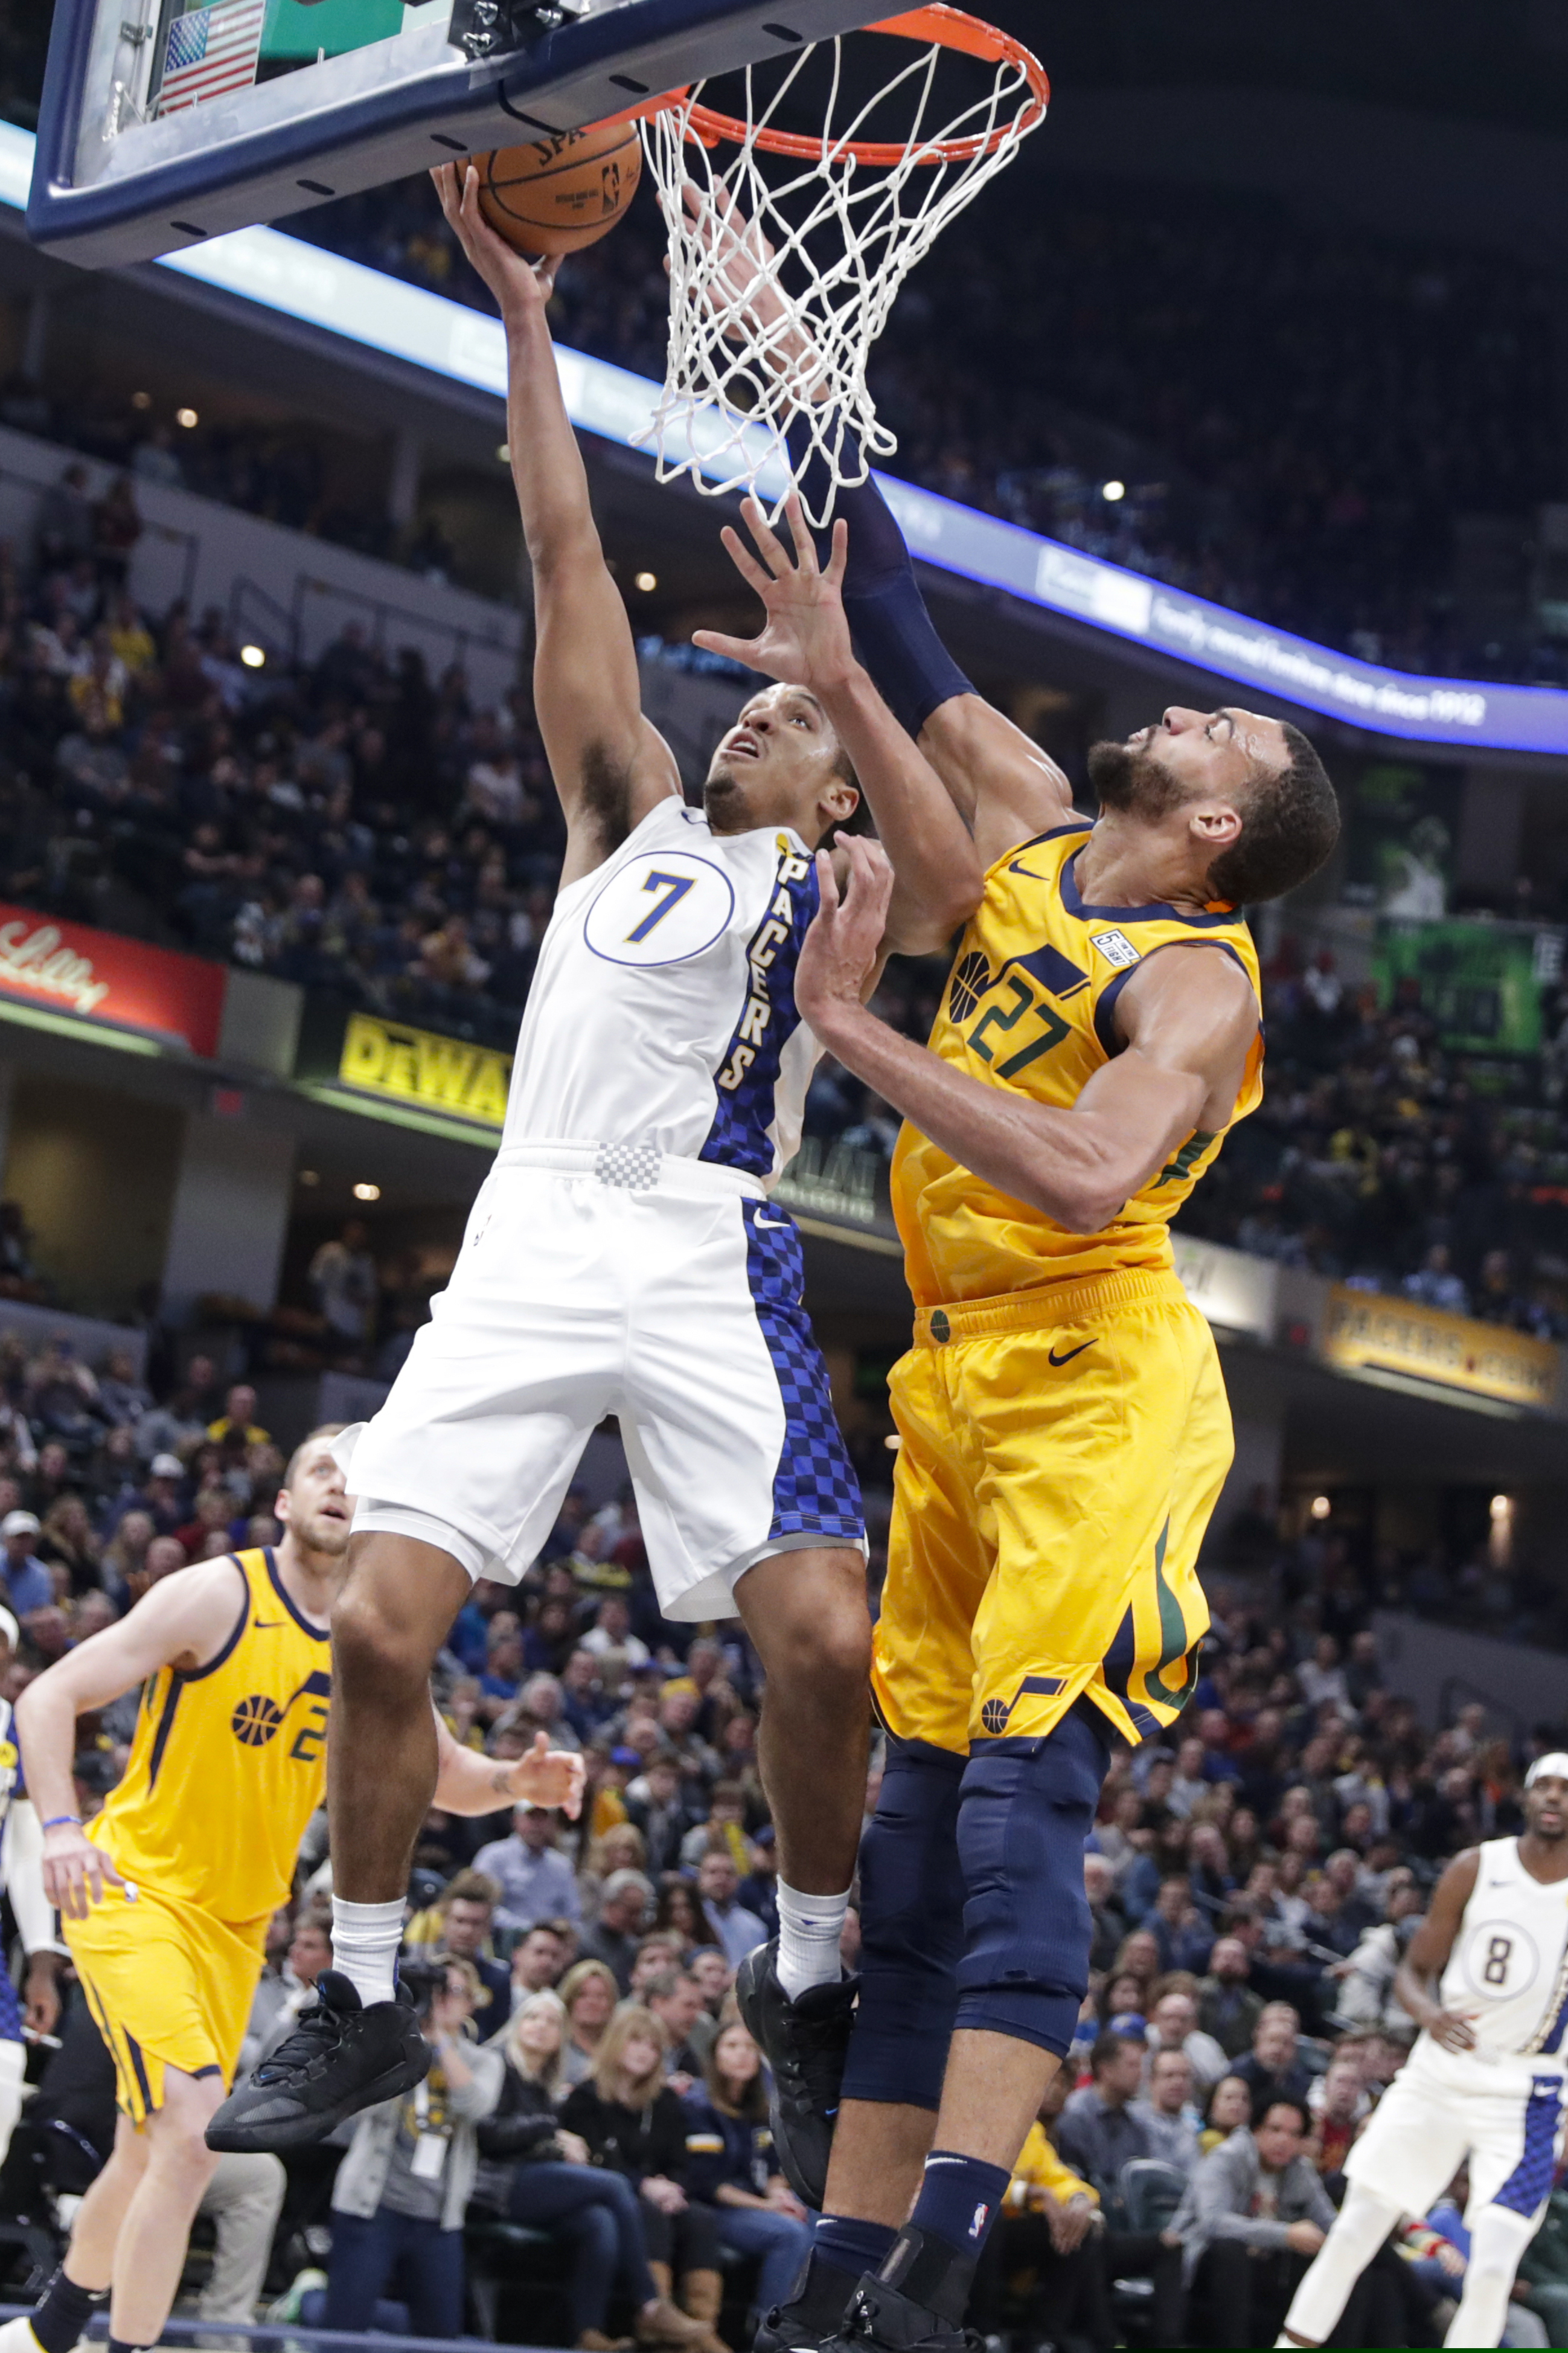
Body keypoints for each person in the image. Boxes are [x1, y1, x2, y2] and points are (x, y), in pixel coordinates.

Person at [215, 156, 980, 2170]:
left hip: (713, 1245)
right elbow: (564, 549)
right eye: (760, 707)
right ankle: (364, 1987)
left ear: (832, 777)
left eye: (799, 722)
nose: (761, 725)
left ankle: (804, 1966)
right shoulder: (628, 808)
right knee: (378, 1621)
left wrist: (850, 663)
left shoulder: (858, 870)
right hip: (534, 1222)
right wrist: (532, 320)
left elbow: (964, 872)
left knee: (821, 1638)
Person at [691, 260, 1338, 2352]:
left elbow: (1074, 1166)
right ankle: (846, 2268)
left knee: (1012, 1804)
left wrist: (847, 1028)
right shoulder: (1045, 828)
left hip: (1102, 1387)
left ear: (1217, 822)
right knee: (898, 1835)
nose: (1177, 707)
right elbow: (890, 623)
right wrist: (797, 354)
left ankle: (954, 2240)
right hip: (959, 1381)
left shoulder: (1196, 985)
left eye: (1219, 725)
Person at [0, 1430, 581, 2353]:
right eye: (323, 1471)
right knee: (194, 2138)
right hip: (138, 1894)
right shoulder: (215, 1593)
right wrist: (63, 1829)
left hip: (236, 1932)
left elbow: (446, 1771)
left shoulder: (371, 1642)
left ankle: (49, 2331)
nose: (342, 1489)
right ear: (283, 1500)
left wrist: (517, 1784)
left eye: (361, 1481)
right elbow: (46, 1698)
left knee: (147, 2147)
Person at [1280, 1756, 1568, 2350]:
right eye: (1544, 1783)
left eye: (1566, 1789)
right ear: (1523, 1794)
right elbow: (1413, 1971)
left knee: (1491, 2267)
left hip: (1526, 2094)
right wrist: (1427, 2012)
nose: (1553, 1796)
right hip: (1439, 2071)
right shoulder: (1475, 1866)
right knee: (1355, 2228)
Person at [481, 1989, 710, 2350]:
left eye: (552, 2022)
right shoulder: (495, 2064)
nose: (541, 2028)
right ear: (515, 2023)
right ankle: (650, 2305)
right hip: (496, 2183)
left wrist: (554, 2141)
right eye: (533, 2018)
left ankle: (586, 2333)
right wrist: (553, 2133)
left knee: (599, 2222)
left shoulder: (544, 2079)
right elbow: (489, 2136)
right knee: (614, 2186)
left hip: (535, 2179)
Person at [325, 1957, 501, 2334]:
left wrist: (441, 2043)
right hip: (373, 2208)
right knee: (343, 2327)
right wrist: (406, 2038)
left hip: (438, 2218)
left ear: (471, 2003)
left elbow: (476, 2106)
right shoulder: (395, 2047)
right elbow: (362, 2104)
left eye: (452, 1993)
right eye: (435, 1992)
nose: (441, 2002)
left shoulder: (485, 2061)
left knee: (439, 2333)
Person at [561, 2005, 731, 2353]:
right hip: (610, 2197)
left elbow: (680, 2160)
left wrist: (673, 2187)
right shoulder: (585, 2098)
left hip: (660, 2194)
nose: (645, 2052)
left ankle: (702, 2330)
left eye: (654, 2046)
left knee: (701, 2219)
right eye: (636, 2041)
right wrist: (645, 2185)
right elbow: (594, 2162)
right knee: (649, 2213)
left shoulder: (665, 2100)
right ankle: (656, 2314)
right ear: (615, 2043)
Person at [1176, 2098, 1339, 2348]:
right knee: (1231, 2250)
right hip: (1205, 2267)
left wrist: (1348, 2243)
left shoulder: (1300, 2169)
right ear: (1256, 2129)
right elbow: (1213, 2223)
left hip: (1267, 2271)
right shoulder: (1226, 2158)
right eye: (1275, 2130)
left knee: (1350, 2263)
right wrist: (1286, 2235)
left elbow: (1330, 2224)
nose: (1283, 2141)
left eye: (1294, 2134)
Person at [683, 2017, 811, 2330]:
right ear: (714, 2056)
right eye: (732, 2046)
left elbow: (772, 2166)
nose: (743, 2054)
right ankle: (767, 2329)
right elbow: (709, 2184)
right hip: (715, 2210)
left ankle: (816, 2325)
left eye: (751, 2048)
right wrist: (768, 2207)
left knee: (817, 2218)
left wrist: (778, 2193)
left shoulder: (760, 2108)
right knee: (789, 2234)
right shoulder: (698, 2107)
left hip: (754, 2203)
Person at [472, 1802, 584, 1931]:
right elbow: (482, 1906)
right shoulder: (493, 1856)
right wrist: (530, 1930)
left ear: (554, 1823)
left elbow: (573, 1914)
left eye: (543, 1818)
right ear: (515, 1821)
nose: (537, 1825)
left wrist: (561, 1930)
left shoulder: (562, 1866)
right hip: (503, 1937)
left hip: (550, 1942)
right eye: (531, 1817)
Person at [1130, 2045, 1202, 2175]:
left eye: (1185, 2076)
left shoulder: (1192, 2129)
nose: (1178, 2082)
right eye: (1169, 2075)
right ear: (1152, 2081)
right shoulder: (1132, 2119)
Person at [559, 1958, 621, 2088]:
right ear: (569, 2000)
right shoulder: (554, 2046)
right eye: (582, 1995)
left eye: (601, 1996)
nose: (592, 2002)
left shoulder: (621, 2049)